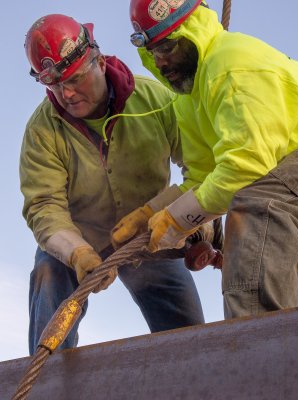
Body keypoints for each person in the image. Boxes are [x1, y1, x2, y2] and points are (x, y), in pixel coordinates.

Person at [112, 0, 298, 319]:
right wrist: (152, 212)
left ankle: (252, 357)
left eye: (168, 46)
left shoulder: (229, 63)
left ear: (194, 29)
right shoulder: (189, 101)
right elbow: (205, 176)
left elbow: (244, 172)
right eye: (152, 51)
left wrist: (177, 220)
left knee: (258, 209)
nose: (161, 61)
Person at [20, 13, 205, 355]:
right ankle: (44, 383)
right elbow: (44, 207)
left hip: (150, 234)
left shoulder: (156, 100)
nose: (68, 94)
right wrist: (77, 253)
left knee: (191, 341)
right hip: (77, 240)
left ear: (100, 62)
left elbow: (201, 169)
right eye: (56, 86)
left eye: (74, 80)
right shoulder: (41, 131)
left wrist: (199, 227)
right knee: (49, 275)